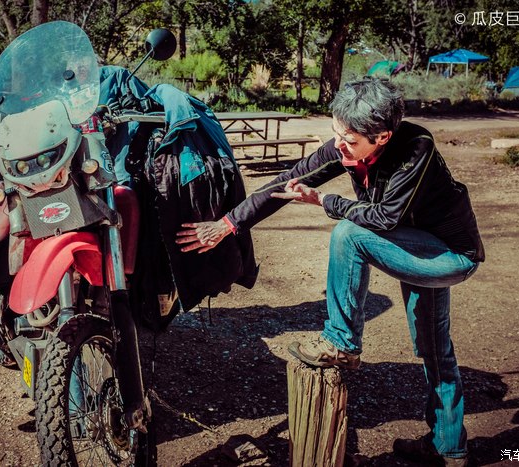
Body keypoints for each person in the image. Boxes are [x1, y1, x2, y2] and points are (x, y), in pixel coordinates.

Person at [175, 78, 484, 466]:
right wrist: (228, 224)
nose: (339, 145)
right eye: (336, 132)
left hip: (449, 254)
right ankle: (450, 448)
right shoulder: (347, 144)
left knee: (349, 234)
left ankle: (341, 342)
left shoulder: (416, 147)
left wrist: (325, 200)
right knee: (434, 348)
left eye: (349, 140)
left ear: (383, 136)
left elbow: (384, 217)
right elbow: (287, 183)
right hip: (412, 244)